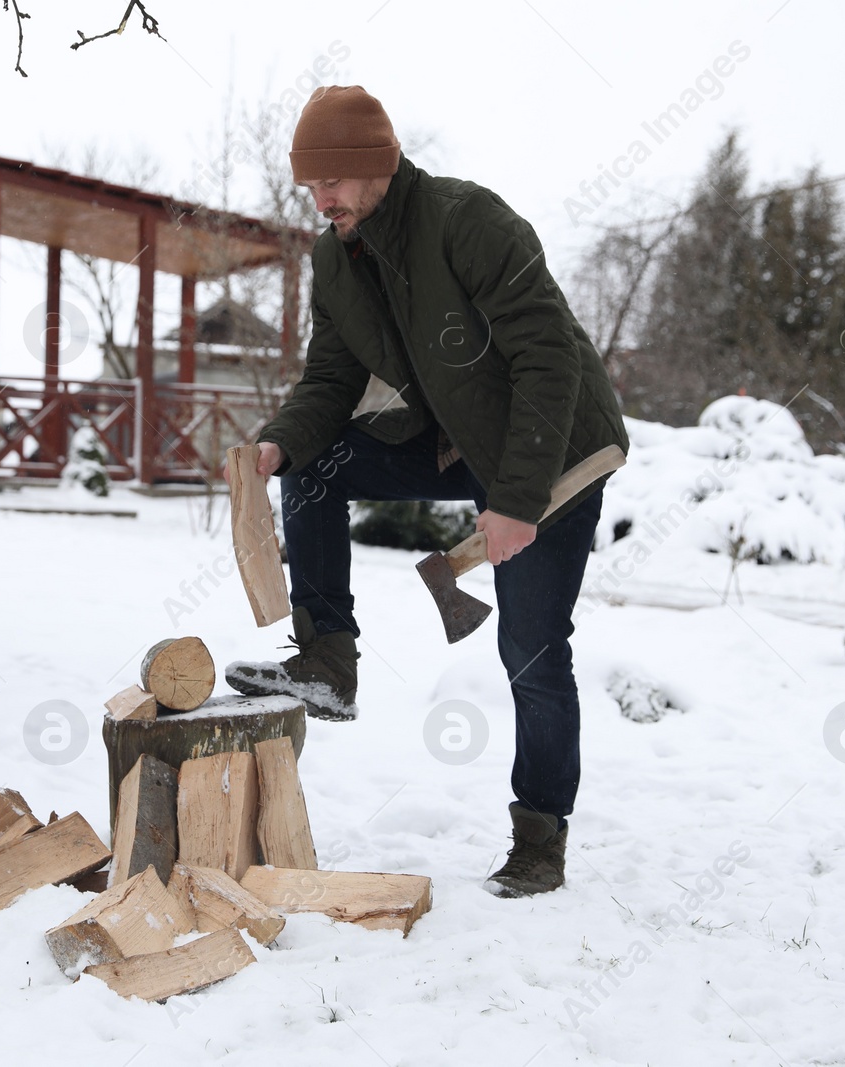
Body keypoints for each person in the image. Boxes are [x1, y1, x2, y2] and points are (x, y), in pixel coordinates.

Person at [224, 85, 629, 897]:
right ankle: (328, 656)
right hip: (454, 436)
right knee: (315, 461)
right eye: (310, 185)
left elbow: (548, 362)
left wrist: (516, 502)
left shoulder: (470, 222)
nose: (320, 198)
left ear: (375, 166)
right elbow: (332, 378)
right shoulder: (335, 258)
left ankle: (540, 834)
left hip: (554, 451)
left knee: (532, 648)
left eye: (331, 180)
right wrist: (279, 440)